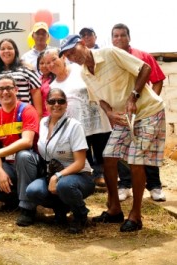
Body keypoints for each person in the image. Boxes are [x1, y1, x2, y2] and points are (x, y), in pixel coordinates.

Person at [60, 35, 166, 232]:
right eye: (67, 55)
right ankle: (115, 209)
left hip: (148, 111)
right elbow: (99, 99)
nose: (72, 56)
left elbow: (145, 68)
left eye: (73, 51)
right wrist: (109, 113)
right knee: (108, 157)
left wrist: (133, 97)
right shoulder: (84, 73)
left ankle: (136, 216)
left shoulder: (110, 52)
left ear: (83, 44)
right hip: (123, 117)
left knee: (136, 161)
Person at [26, 88, 95, 233]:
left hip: (79, 177)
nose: (56, 104)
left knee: (64, 185)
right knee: (32, 191)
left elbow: (80, 163)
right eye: (52, 101)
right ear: (46, 104)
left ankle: (80, 214)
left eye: (61, 101)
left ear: (66, 104)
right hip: (52, 175)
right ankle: (61, 209)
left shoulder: (74, 126)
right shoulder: (43, 122)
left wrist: (57, 176)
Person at [111, 23, 167, 202]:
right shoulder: (111, 60)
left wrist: (151, 103)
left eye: (122, 35)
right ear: (112, 39)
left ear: (129, 37)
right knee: (123, 150)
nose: (119, 38)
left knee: (146, 150)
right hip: (122, 113)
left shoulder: (142, 56)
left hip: (145, 114)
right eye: (115, 35)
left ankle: (155, 186)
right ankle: (125, 185)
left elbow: (158, 80)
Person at [43, 48, 111, 187]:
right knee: (83, 151)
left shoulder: (77, 68)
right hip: (77, 123)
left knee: (101, 149)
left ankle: (103, 176)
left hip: (96, 117)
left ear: (63, 58)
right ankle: (89, 177)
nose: (51, 64)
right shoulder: (53, 86)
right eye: (47, 62)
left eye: (54, 59)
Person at [0, 75, 40, 226]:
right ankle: (16, 200)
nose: (5, 92)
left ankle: (28, 208)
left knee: (23, 155)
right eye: (1, 89)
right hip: (9, 164)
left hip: (30, 163)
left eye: (9, 88)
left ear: (16, 90)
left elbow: (27, 141)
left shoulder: (27, 110)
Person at [0, 39, 42, 117]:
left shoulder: (27, 69)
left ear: (15, 51)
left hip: (22, 117)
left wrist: (38, 117)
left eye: (10, 48)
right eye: (2, 49)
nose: (6, 51)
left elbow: (36, 92)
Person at [36, 51, 55, 117]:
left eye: (47, 63)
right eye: (41, 63)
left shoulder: (56, 80)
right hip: (39, 116)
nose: (44, 66)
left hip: (52, 115)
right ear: (38, 66)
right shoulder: (36, 80)